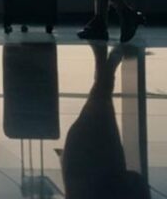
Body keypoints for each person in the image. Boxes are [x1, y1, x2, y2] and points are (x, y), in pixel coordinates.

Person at [60, 44, 150, 199]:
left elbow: (136, 181)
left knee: (100, 110)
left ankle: (105, 67)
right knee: (97, 110)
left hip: (103, 174)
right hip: (85, 175)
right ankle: (103, 65)